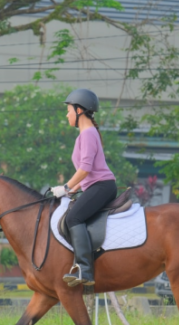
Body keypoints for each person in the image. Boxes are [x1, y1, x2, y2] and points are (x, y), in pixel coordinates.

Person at [51, 89, 117, 287]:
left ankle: (85, 269)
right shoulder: (86, 135)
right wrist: (72, 189)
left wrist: (65, 187)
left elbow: (85, 169)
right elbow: (87, 173)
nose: (67, 114)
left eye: (69, 110)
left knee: (73, 218)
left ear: (79, 110)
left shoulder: (88, 134)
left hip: (102, 187)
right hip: (96, 185)